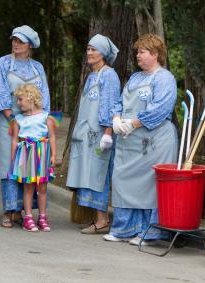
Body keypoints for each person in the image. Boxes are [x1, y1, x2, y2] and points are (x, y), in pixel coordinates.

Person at [103, 34, 178, 245]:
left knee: (148, 186)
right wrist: (117, 118)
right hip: (129, 141)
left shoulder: (164, 78)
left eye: (142, 52)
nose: (138, 55)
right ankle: (124, 229)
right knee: (123, 180)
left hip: (154, 141)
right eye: (138, 52)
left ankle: (149, 232)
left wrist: (133, 123)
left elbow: (161, 109)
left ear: (155, 54)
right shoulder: (135, 78)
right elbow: (119, 102)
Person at [0, 25, 50, 228]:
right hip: (10, 122)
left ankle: (25, 212)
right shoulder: (3, 63)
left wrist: (42, 122)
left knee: (31, 165)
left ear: (30, 45)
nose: (15, 44)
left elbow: (45, 98)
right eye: (14, 40)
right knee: (10, 163)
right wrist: (13, 119)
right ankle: (9, 210)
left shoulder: (38, 67)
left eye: (20, 41)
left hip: (34, 125)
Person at [66, 34, 120, 234]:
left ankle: (102, 219)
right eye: (88, 49)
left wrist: (108, 132)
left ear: (103, 54)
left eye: (93, 49)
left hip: (100, 136)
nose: (89, 53)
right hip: (85, 136)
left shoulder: (109, 75)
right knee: (88, 173)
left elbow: (112, 105)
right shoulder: (90, 77)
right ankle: (94, 217)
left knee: (98, 174)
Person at [8, 84, 56, 232]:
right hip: (26, 155)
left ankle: (42, 217)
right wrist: (13, 159)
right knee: (28, 187)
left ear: (31, 98)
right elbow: (15, 140)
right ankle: (28, 217)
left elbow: (52, 137)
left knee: (42, 188)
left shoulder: (46, 116)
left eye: (20, 99)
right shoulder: (18, 119)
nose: (18, 103)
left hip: (42, 154)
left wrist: (53, 155)